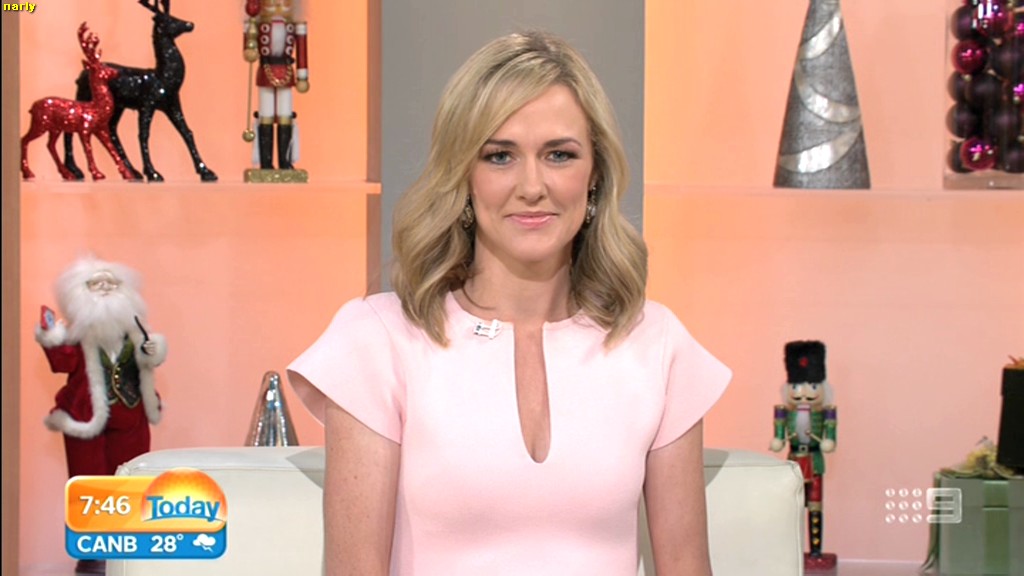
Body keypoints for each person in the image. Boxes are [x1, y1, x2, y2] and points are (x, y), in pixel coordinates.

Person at [287, 31, 731, 575]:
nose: (532, 186)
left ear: (594, 175)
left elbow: (687, 567)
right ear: (463, 175)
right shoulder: (377, 340)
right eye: (500, 156)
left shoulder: (656, 344)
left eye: (559, 155)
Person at [34, 256, 167, 575]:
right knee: (89, 483)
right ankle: (93, 552)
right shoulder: (76, 334)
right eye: (97, 284)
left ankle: (126, 548)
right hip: (86, 416)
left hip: (130, 414)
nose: (105, 289)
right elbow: (63, 363)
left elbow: (148, 359)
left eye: (111, 284)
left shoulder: (136, 330)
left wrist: (152, 351)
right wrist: (51, 336)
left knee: (129, 481)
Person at [243, 0, 309, 172]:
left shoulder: (296, 26)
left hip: (286, 71)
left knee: (285, 115)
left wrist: (302, 76)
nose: (278, 7)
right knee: (265, 115)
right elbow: (248, 49)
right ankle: (266, 164)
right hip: (266, 71)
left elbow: (302, 50)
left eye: (284, 3)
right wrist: (250, 48)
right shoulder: (256, 25)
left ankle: (285, 163)